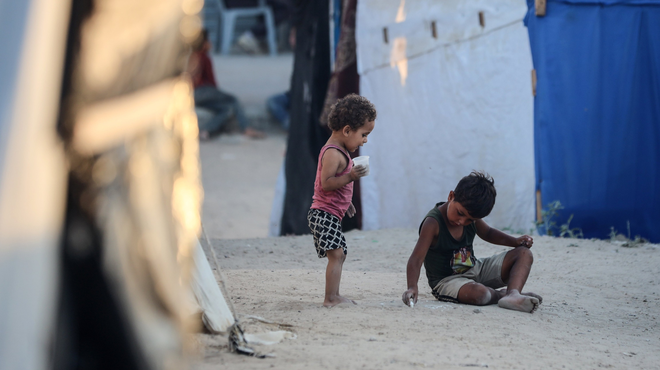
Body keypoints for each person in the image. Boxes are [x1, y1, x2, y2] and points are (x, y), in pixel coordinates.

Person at [402, 171, 542, 313]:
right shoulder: (433, 223)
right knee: (481, 295)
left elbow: (488, 233)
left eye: (470, 220)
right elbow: (416, 258)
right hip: (448, 282)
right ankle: (502, 294)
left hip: (475, 269)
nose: (462, 221)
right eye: (460, 213)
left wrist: (515, 242)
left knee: (524, 254)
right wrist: (412, 287)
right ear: (451, 196)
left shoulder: (470, 215)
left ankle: (513, 294)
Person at [307, 94, 376, 307]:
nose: (365, 140)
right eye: (364, 134)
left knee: (340, 254)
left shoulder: (342, 152)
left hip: (330, 213)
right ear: (347, 130)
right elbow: (326, 183)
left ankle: (334, 295)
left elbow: (336, 187)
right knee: (336, 255)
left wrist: (347, 202)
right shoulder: (333, 154)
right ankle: (331, 298)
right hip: (322, 214)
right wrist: (351, 177)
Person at [188, 29, 265, 139]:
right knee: (233, 99)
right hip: (200, 91)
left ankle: (205, 131)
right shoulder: (203, 57)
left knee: (226, 109)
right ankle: (246, 128)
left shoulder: (187, 56)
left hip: (188, 95)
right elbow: (212, 83)